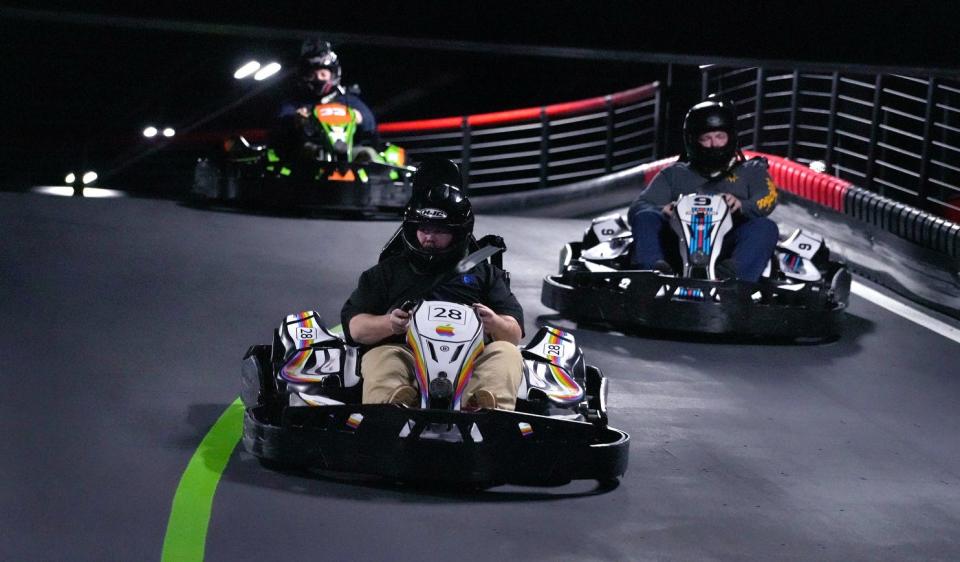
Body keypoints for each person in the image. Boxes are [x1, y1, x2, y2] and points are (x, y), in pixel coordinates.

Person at [340, 161, 524, 410]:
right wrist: (389, 324)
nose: (429, 236)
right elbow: (355, 329)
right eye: (424, 228)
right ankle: (393, 407)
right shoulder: (386, 272)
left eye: (439, 230)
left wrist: (496, 323)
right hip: (406, 354)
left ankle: (484, 409)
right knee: (380, 356)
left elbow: (513, 334)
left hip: (471, 361)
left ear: (458, 233)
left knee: (506, 353)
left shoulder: (485, 274)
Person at [628, 96, 779, 282]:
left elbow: (768, 199)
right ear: (692, 141)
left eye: (720, 137)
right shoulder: (674, 173)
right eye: (706, 138)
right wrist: (662, 209)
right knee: (645, 217)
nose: (714, 144)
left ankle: (733, 281)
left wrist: (742, 205)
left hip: (727, 249)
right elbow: (638, 207)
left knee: (765, 227)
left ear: (731, 138)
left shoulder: (752, 171)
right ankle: (652, 275)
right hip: (678, 246)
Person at [275, 39, 378, 152]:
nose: (318, 79)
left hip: (347, 152)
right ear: (304, 76)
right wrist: (295, 119)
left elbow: (370, 123)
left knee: (368, 154)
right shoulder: (295, 102)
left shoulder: (347, 99)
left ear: (333, 74)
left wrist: (358, 117)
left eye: (323, 74)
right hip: (309, 154)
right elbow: (281, 124)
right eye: (312, 75)